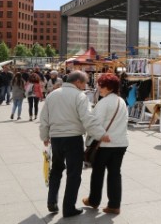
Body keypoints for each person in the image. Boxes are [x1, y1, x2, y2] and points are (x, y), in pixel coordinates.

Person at [39, 70, 108, 217]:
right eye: (85, 82)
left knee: (56, 170)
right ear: (78, 82)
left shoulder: (53, 94)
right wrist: (101, 134)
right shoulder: (80, 96)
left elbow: (44, 118)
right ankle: (68, 207)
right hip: (73, 138)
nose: (86, 85)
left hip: (56, 138)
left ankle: (52, 201)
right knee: (74, 174)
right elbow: (87, 118)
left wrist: (44, 135)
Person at [82, 74, 128, 215]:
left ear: (108, 87)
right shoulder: (121, 101)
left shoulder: (104, 102)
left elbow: (95, 123)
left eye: (100, 85)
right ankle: (114, 205)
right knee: (115, 173)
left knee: (98, 173)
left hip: (104, 144)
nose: (98, 88)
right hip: (120, 143)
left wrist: (97, 136)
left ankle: (94, 200)